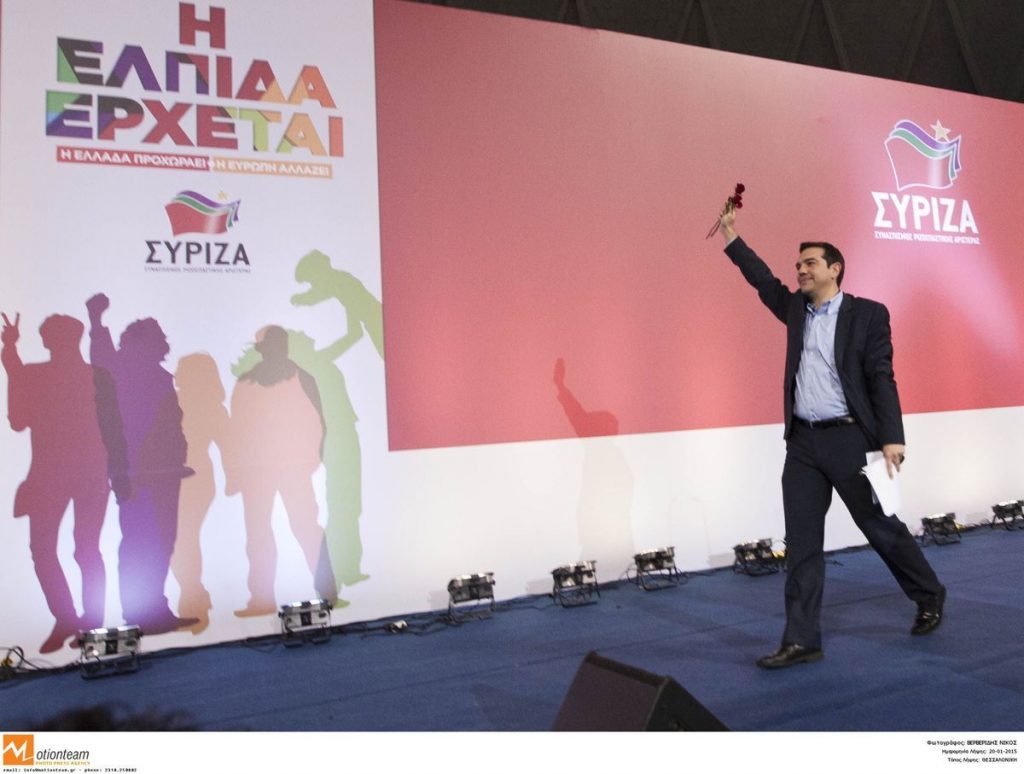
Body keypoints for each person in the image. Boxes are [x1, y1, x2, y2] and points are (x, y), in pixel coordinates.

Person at [717, 205, 945, 669]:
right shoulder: (795, 311)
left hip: (850, 440)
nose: (800, 270)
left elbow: (881, 377)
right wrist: (730, 236)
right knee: (801, 542)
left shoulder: (868, 315)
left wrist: (892, 437)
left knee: (879, 526)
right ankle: (802, 640)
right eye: (798, 264)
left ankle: (928, 593)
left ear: (834, 268)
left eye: (809, 263)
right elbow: (762, 280)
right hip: (803, 444)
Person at [1, 312, 110, 653]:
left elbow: (18, 420)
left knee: (52, 549)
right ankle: (84, 623)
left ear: (48, 341)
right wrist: (10, 355)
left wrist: (11, 354)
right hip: (81, 474)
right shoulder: (96, 376)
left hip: (59, 474)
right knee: (81, 549)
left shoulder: (38, 376)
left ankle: (75, 621)